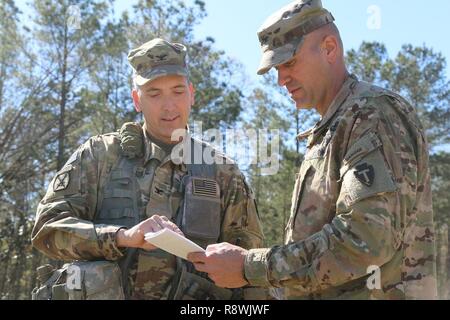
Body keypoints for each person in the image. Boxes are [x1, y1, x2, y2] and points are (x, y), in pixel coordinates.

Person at [188, 0, 437, 300]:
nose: (281, 80)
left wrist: (249, 267)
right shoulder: (333, 127)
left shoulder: (373, 114)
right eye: (277, 69)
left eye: (289, 63)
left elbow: (366, 240)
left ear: (330, 48)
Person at [31, 38, 265, 300]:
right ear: (136, 100)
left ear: (192, 94)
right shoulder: (100, 156)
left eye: (178, 91)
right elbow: (47, 229)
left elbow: (249, 272)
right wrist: (121, 237)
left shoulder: (222, 173)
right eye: (154, 94)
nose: (169, 106)